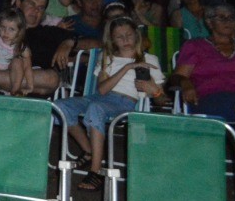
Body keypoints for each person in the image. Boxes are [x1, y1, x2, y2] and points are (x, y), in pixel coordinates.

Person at [55, 16, 166, 192]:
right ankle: (89, 150)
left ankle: (96, 171)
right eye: (119, 36)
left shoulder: (149, 59)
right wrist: (127, 68)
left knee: (95, 109)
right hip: (98, 98)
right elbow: (102, 90)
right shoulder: (107, 58)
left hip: (124, 102)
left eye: (128, 35)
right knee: (60, 106)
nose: (125, 40)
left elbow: (162, 100)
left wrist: (155, 90)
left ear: (136, 36)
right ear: (112, 39)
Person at [173, 4, 235, 121]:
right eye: (221, 17)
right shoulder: (195, 46)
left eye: (231, 17)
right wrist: (185, 82)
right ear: (209, 22)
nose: (227, 21)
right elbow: (177, 76)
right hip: (209, 97)